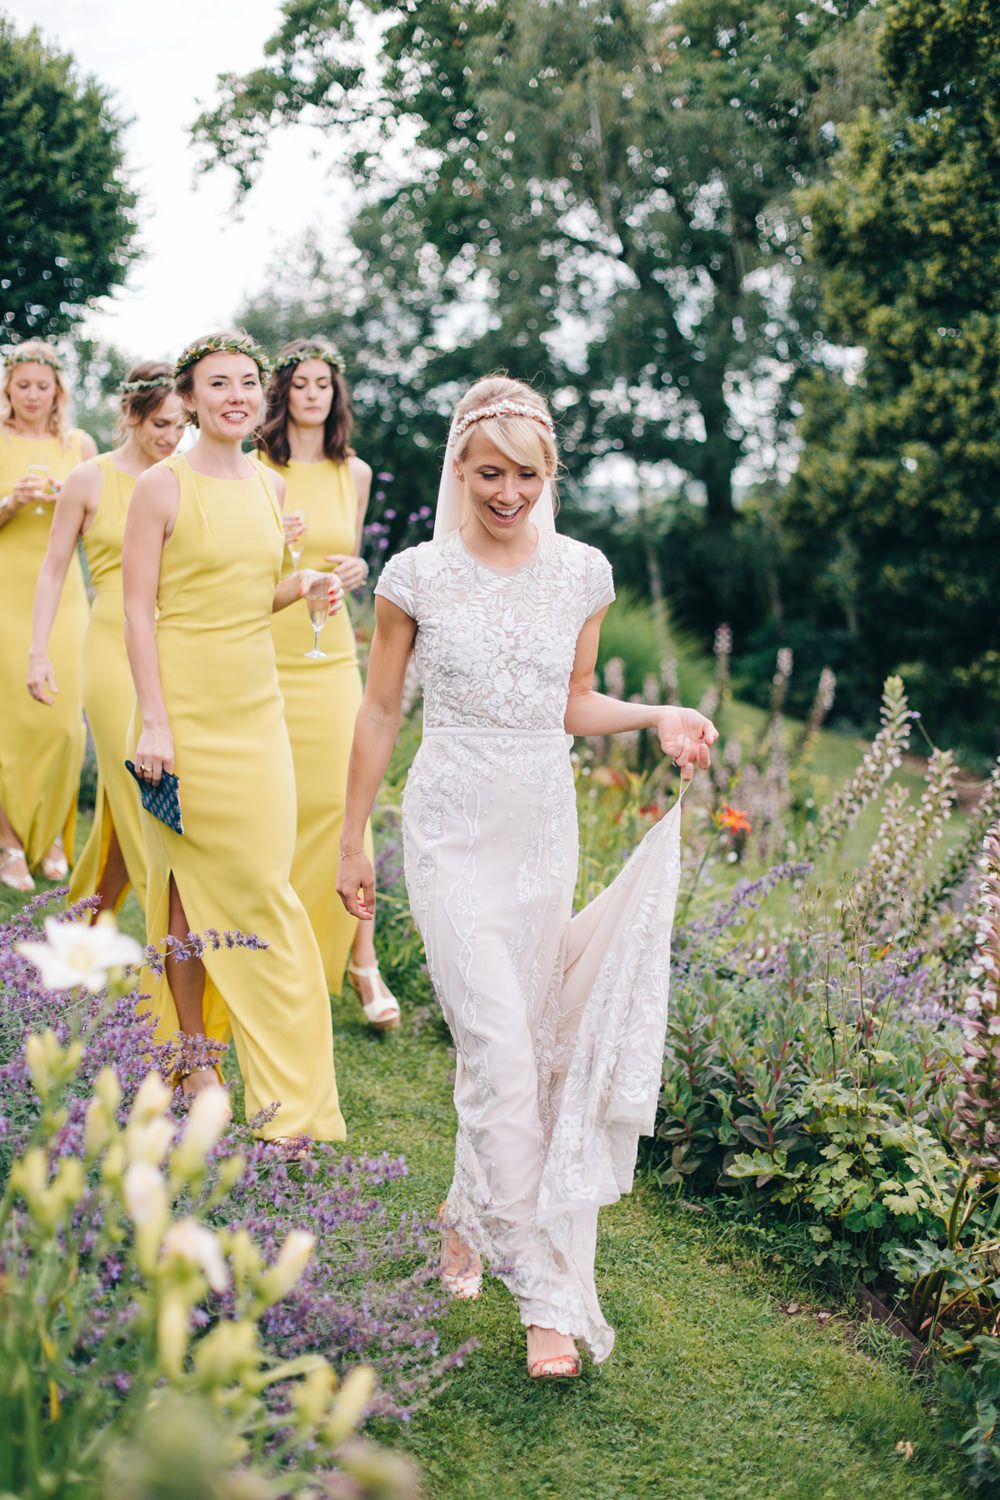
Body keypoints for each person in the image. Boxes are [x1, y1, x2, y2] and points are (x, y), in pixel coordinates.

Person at [337, 376, 717, 1377]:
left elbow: (574, 702)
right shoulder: (412, 577)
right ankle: (546, 1297)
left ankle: (468, 1206)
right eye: (489, 472)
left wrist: (654, 722)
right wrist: (348, 840)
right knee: (501, 1049)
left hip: (540, 830)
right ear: (459, 469)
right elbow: (380, 714)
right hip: (450, 828)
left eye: (526, 474)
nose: (507, 491)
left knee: (521, 1048)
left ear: (552, 476)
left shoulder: (583, 574)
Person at [122, 329, 346, 1139]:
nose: (237, 396)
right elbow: (136, 611)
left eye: (249, 383)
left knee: (265, 890)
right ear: (187, 398)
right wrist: (153, 721)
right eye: (219, 384)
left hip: (258, 716)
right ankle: (194, 1055)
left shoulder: (267, 486)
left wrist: (306, 583)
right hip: (177, 714)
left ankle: (292, 1099)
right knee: (180, 887)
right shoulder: (160, 487)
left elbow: (254, 595)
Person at [259, 336, 399, 1030]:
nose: (312, 394)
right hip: (269, 645)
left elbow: (352, 558)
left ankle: (362, 958)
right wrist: (268, 538)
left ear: (335, 395)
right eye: (300, 383)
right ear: (280, 393)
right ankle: (276, 948)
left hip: (331, 649)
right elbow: (236, 571)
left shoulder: (356, 471)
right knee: (276, 799)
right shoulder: (256, 467)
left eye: (323, 384)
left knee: (350, 794)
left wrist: (355, 574)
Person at [28, 363, 186, 915]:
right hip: (111, 647)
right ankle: (172, 942)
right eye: (161, 424)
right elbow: (53, 569)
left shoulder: (187, 476)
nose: (171, 437)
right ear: (131, 415)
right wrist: (38, 651)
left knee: (129, 801)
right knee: (143, 786)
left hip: (180, 641)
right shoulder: (89, 478)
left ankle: (85, 921)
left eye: (181, 426)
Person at [0, 340, 96, 892]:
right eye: (22, 385)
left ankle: (56, 835)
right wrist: (11, 504)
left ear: (57, 390)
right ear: (8, 388)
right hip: (7, 590)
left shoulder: (77, 444)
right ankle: (10, 840)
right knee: (9, 720)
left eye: (43, 386)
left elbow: (98, 524)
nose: (33, 395)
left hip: (64, 598)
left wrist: (70, 500)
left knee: (62, 722)